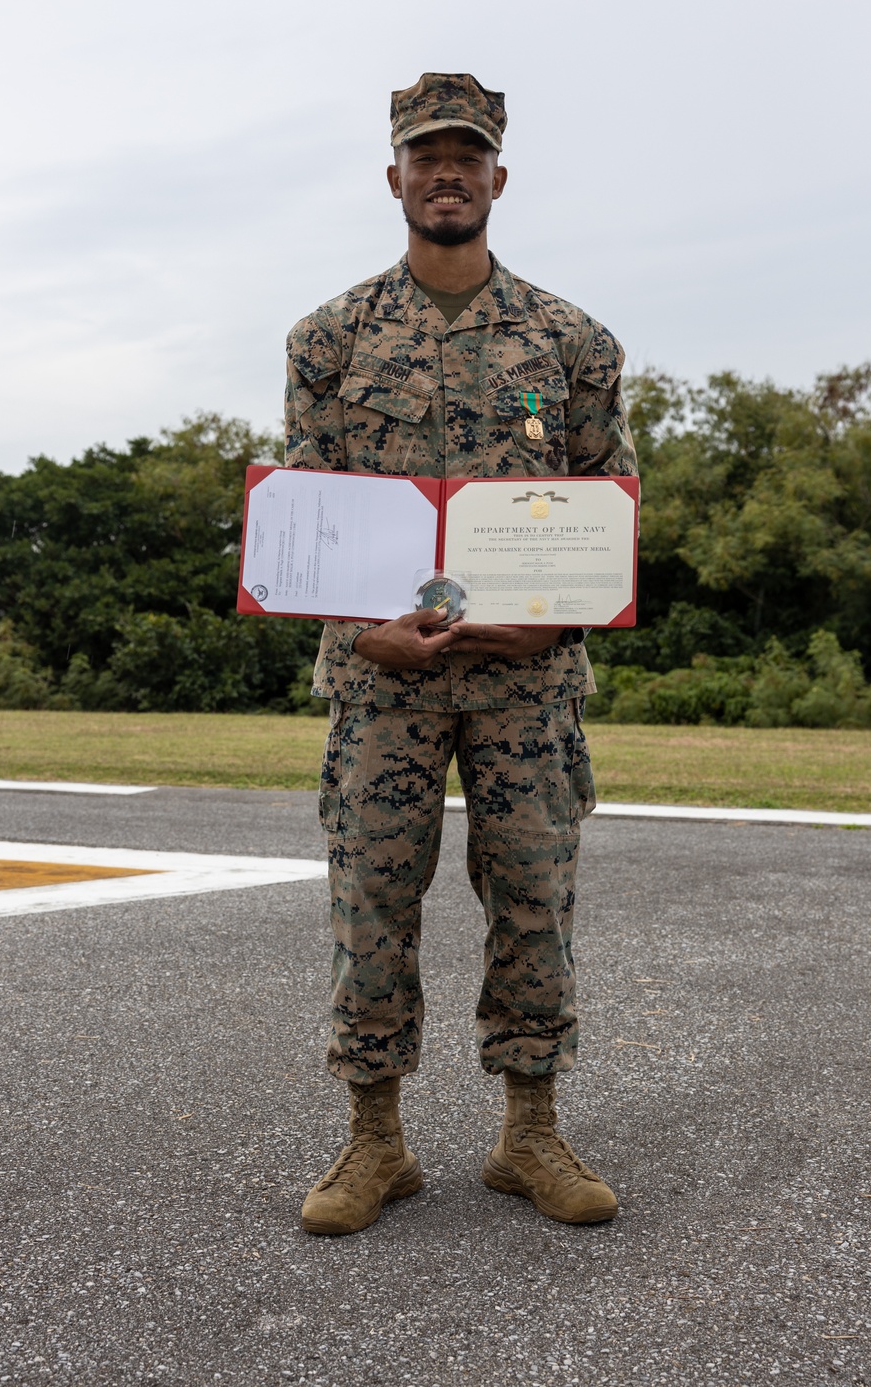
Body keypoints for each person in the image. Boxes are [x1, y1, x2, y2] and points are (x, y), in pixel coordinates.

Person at [285, 73, 637, 1235]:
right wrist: (355, 628)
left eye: (467, 155)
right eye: (425, 155)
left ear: (497, 177)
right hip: (383, 677)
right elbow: (309, 513)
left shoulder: (572, 341)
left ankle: (528, 1135)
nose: (447, 172)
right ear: (394, 176)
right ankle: (373, 1143)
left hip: (526, 683)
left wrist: (558, 616)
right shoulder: (329, 340)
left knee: (533, 898)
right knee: (372, 902)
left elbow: (611, 500)